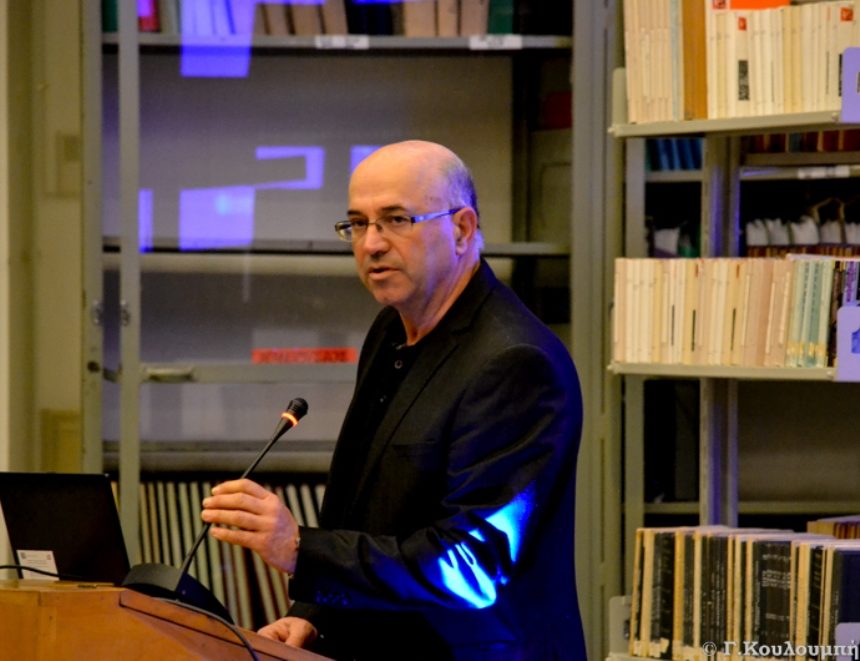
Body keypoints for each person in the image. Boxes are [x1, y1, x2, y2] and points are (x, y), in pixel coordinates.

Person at [201, 140, 586, 660]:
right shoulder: (391, 329)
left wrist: (298, 549)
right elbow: (364, 513)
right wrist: (314, 615)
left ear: (462, 229)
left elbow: (471, 566)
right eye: (358, 224)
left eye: (396, 220)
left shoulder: (515, 362)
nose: (372, 244)